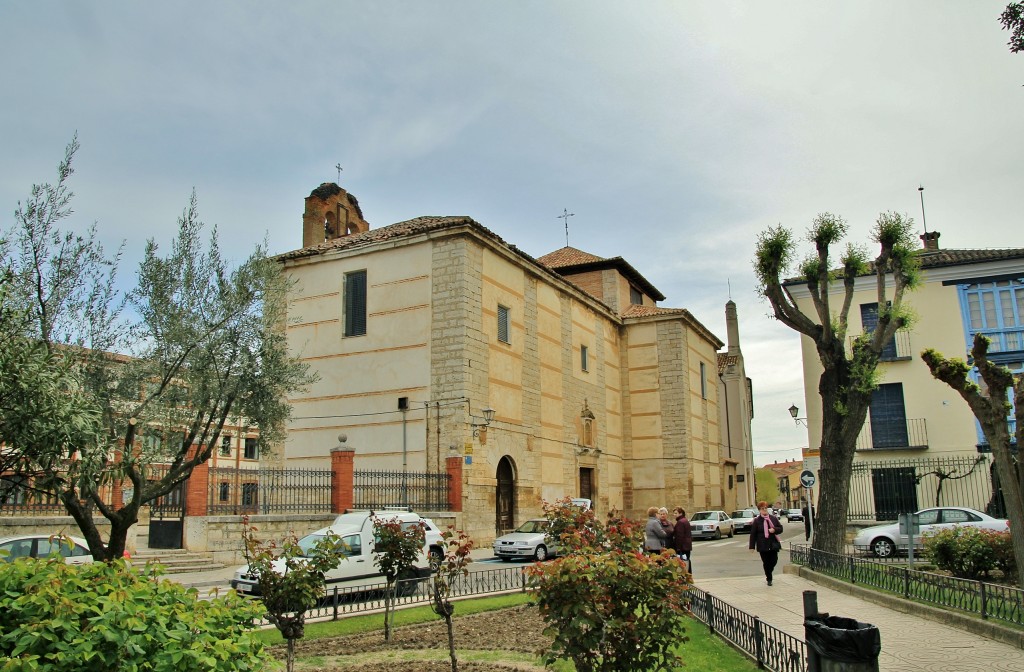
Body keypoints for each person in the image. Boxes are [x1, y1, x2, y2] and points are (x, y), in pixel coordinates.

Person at [748, 501, 783, 586]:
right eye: (762, 508)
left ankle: (769, 571)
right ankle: (769, 578)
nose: (764, 510)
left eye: (765, 508)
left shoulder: (773, 518)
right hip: (762, 545)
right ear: (759, 510)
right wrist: (751, 546)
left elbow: (780, 528)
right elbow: (753, 534)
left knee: (774, 560)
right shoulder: (757, 521)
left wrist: (774, 529)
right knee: (766, 562)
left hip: (773, 543)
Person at [671, 506, 693, 574]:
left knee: (682, 562)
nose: (674, 515)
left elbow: (679, 536)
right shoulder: (685, 520)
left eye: (675, 513)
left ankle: (685, 574)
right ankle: (688, 574)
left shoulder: (680, 522)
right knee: (687, 560)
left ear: (680, 513)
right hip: (687, 545)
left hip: (682, 546)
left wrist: (678, 547)